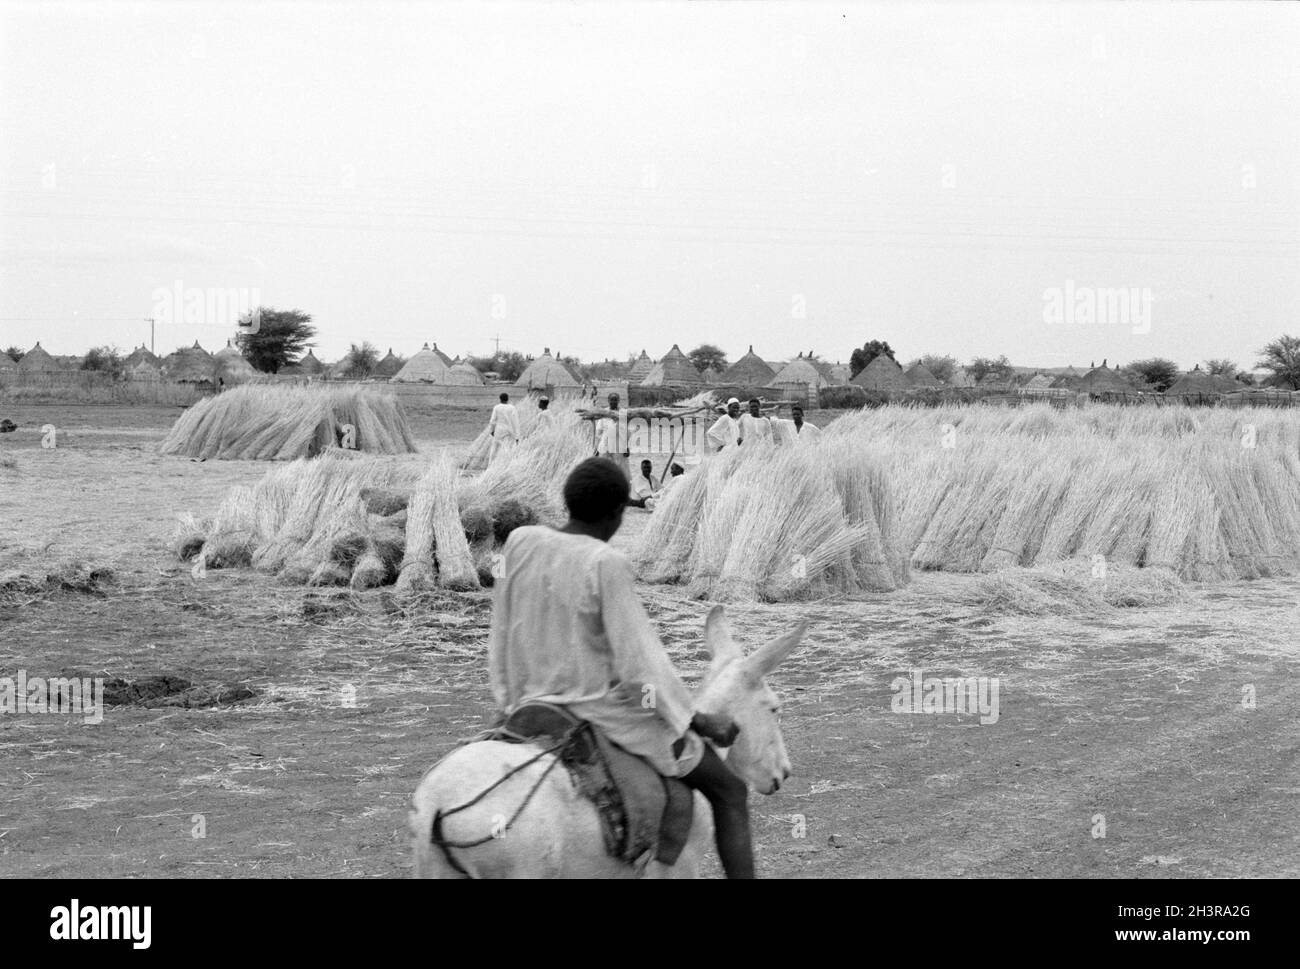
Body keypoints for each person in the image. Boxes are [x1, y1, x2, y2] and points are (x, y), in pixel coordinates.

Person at [488, 458, 754, 878]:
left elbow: (501, 625)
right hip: (594, 711)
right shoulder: (604, 561)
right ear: (616, 515)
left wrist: (506, 699)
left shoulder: (520, 541)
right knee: (730, 792)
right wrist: (697, 720)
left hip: (525, 704)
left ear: (568, 501)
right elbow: (642, 662)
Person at [595, 391, 629, 478]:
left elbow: (627, 432)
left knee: (620, 469)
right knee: (603, 468)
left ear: (619, 401)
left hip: (619, 445)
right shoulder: (604, 413)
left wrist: (627, 447)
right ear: (608, 400)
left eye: (615, 400)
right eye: (611, 400)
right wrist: (597, 448)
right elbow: (598, 432)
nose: (613, 402)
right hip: (605, 444)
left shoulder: (623, 413)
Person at [488, 392, 521, 461]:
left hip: (499, 430)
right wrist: (517, 436)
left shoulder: (497, 407)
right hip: (509, 430)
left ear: (500, 399)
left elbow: (492, 421)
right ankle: (506, 462)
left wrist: (491, 430)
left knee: (494, 448)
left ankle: (491, 464)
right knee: (506, 447)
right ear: (508, 399)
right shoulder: (512, 408)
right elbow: (516, 422)